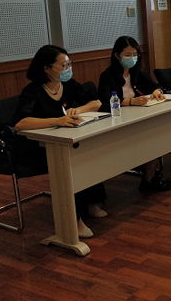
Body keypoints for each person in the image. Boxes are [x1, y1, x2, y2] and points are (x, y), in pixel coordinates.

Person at [13, 45, 106, 238]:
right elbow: (21, 123)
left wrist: (78, 110)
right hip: (37, 147)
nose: (68, 69)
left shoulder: (69, 85)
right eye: (63, 65)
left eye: (69, 64)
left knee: (89, 151)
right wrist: (57, 120)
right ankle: (74, 220)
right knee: (72, 161)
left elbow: (96, 103)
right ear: (47, 68)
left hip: (64, 140)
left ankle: (92, 202)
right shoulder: (33, 91)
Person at [98, 36, 171, 192]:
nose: (132, 58)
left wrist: (157, 91)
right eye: (127, 55)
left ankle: (149, 178)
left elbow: (156, 85)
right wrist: (131, 102)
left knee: (157, 135)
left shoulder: (136, 73)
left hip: (138, 118)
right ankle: (148, 176)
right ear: (117, 55)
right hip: (118, 122)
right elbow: (103, 103)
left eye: (135, 54)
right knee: (150, 138)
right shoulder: (108, 75)